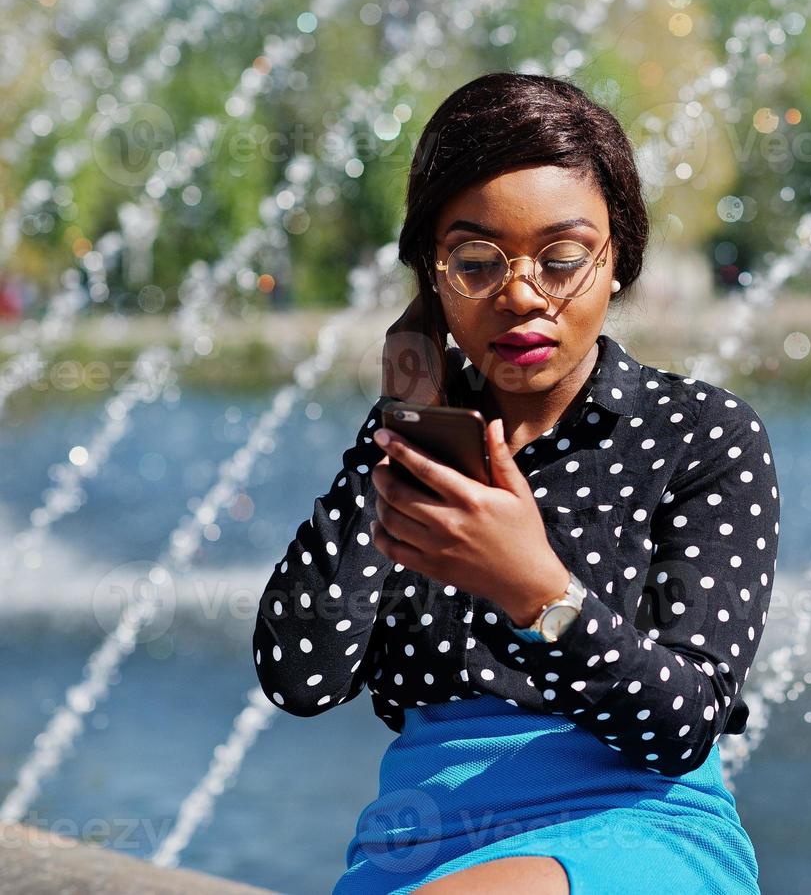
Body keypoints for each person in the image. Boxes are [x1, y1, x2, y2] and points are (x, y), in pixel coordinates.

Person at [251, 73, 780, 894]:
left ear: (618, 261)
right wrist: (398, 418)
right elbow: (299, 674)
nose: (522, 294)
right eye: (474, 262)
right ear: (432, 276)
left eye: (562, 259)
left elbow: (683, 725)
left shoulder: (696, 434)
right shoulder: (416, 440)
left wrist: (537, 592)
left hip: (631, 829)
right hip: (417, 844)